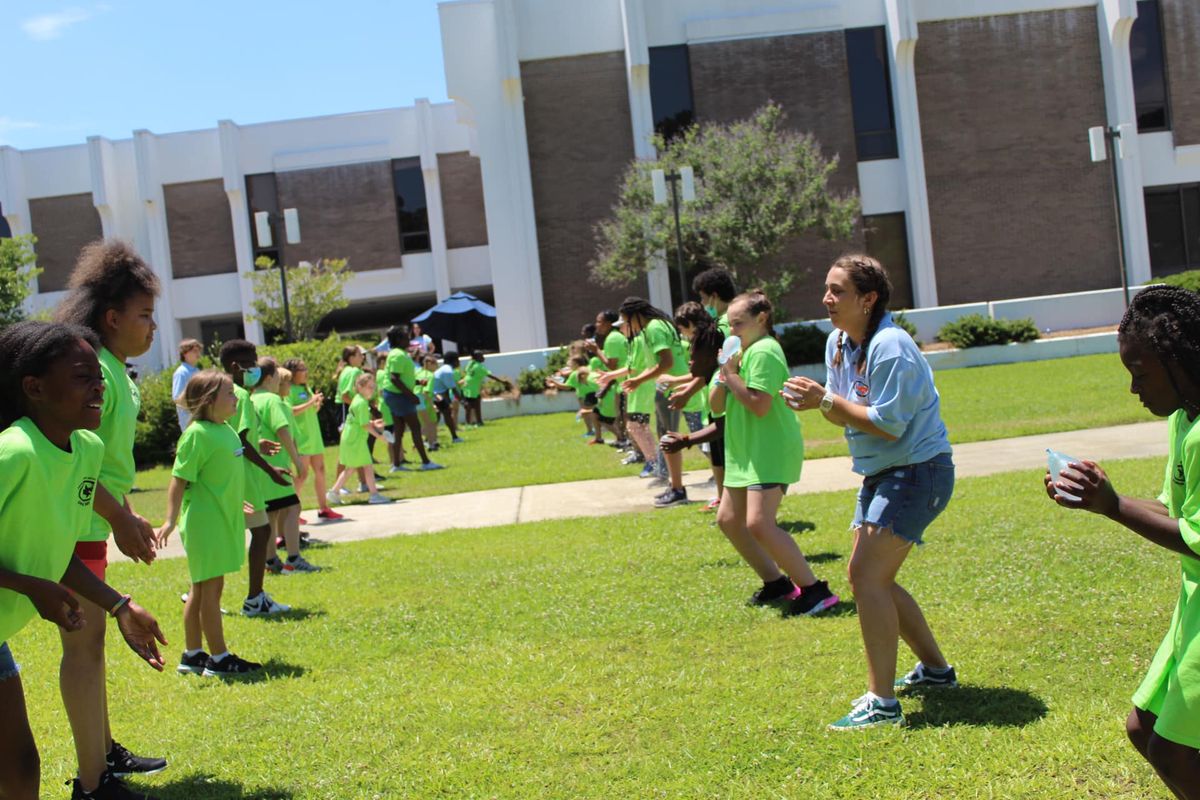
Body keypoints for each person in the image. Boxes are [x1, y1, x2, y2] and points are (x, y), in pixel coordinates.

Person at [784, 255, 954, 731]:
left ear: (868, 298)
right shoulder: (838, 342)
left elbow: (886, 425)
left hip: (918, 471)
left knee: (865, 575)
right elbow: (842, 406)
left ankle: (882, 701)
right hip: (883, 473)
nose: (826, 299)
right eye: (826, 288)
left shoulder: (892, 346)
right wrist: (821, 401)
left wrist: (824, 401)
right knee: (870, 578)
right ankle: (937, 672)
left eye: (837, 290)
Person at [0, 321, 167, 800]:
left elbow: (56, 552)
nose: (98, 386)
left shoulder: (85, 451)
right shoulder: (13, 453)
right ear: (34, 388)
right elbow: (41, 572)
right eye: (81, 377)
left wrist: (118, 606)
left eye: (100, 377)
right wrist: (32, 586)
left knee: (19, 766)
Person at [1046, 285, 1200, 796]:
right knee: (1146, 729)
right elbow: (1173, 512)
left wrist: (1113, 506)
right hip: (1192, 607)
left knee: (1173, 751)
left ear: (1180, 360)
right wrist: (1099, 497)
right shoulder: (1185, 418)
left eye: (1140, 371)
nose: (1134, 388)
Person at [54, 240, 168, 792]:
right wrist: (121, 518)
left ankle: (102, 755)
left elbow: (107, 465)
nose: (151, 327)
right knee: (84, 646)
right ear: (112, 317)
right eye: (144, 315)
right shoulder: (91, 370)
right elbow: (79, 463)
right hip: (75, 528)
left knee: (93, 643)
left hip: (91, 523)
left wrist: (125, 514)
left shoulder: (113, 369)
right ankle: (91, 781)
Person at [712, 290, 838, 619]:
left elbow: (759, 404)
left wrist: (732, 375)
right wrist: (723, 375)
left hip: (768, 449)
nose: (732, 330)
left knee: (759, 523)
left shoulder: (765, 351)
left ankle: (815, 591)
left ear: (762, 319)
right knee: (729, 520)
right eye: (729, 325)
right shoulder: (738, 354)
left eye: (738, 323)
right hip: (744, 452)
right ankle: (777, 584)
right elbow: (715, 407)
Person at [157, 370, 262, 678]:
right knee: (210, 590)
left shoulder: (225, 428)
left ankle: (192, 655)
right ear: (209, 401)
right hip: (205, 523)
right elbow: (179, 480)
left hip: (221, 517)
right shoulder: (197, 434)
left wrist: (233, 501)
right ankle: (219, 659)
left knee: (201, 589)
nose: (235, 398)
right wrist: (169, 520)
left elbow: (219, 476)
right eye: (229, 394)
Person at [218, 340, 292, 617]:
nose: (256, 368)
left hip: (229, 474)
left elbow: (234, 437)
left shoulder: (220, 390)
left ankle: (201, 591)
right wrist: (270, 469)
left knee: (235, 533)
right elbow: (240, 442)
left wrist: (256, 443)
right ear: (236, 367)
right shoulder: (239, 394)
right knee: (260, 532)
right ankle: (254, 599)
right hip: (242, 477)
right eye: (252, 362)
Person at [617, 298, 689, 506]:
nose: (629, 325)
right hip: (669, 388)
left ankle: (678, 490)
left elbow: (667, 363)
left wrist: (639, 380)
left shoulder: (654, 328)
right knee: (669, 437)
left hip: (670, 389)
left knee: (670, 438)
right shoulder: (658, 325)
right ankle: (675, 486)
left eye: (628, 320)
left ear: (637, 314)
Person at [252, 359, 318, 575]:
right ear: (271, 378)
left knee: (270, 513)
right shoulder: (273, 401)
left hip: (260, 467)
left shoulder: (251, 399)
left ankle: (271, 560)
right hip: (278, 466)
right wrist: (297, 460)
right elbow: (282, 430)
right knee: (292, 508)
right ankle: (294, 557)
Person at [661, 315, 726, 511]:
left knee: (739, 519)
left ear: (709, 358)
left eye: (693, 356)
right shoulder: (714, 374)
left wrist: (686, 440)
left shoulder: (718, 380)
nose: (689, 362)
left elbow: (723, 425)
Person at [283, 358, 341, 521]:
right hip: (301, 439)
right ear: (293, 373)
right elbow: (290, 411)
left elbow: (308, 412)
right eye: (302, 369)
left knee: (320, 470)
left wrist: (316, 405)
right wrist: (310, 402)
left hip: (314, 437)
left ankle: (323, 508)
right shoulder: (289, 390)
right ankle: (292, 513)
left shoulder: (305, 388)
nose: (305, 372)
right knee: (302, 475)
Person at [381, 325, 444, 471]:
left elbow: (400, 376)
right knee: (415, 427)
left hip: (394, 395)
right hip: (399, 396)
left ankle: (396, 464)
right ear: (398, 339)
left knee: (399, 429)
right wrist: (411, 396)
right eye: (405, 336)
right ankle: (425, 462)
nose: (408, 339)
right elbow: (394, 378)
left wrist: (416, 382)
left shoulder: (396, 353)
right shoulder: (398, 354)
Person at [327, 373, 393, 504]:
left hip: (352, 438)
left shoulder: (358, 399)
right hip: (355, 439)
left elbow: (360, 421)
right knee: (366, 466)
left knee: (351, 467)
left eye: (373, 387)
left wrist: (373, 423)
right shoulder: (362, 402)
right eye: (369, 387)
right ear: (360, 387)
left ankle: (334, 492)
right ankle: (374, 495)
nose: (372, 390)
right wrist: (379, 436)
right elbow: (364, 425)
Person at [587, 310, 629, 448]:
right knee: (622, 418)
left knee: (625, 418)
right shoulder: (616, 336)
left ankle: (632, 447)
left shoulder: (612, 339)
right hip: (623, 383)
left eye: (599, 321)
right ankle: (629, 445)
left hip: (625, 383)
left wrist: (596, 350)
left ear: (609, 323)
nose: (596, 325)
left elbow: (612, 365)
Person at [460, 351, 507, 427]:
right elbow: (490, 376)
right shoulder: (479, 367)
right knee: (474, 405)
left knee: (471, 405)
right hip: (473, 387)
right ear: (477, 358)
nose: (483, 357)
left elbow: (467, 371)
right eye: (481, 356)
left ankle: (472, 422)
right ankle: (476, 422)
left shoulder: (471, 363)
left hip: (467, 386)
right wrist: (502, 381)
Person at [693, 267, 736, 337]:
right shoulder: (741, 317)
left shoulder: (721, 325)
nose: (702, 302)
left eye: (703, 298)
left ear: (714, 296)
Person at [431, 353, 463, 444]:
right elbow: (452, 389)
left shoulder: (444, 369)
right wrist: (463, 401)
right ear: (453, 361)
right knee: (438, 418)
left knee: (442, 416)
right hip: (437, 396)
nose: (459, 362)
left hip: (437, 395)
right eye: (458, 360)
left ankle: (430, 439)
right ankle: (454, 438)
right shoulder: (447, 371)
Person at [170, 338, 202, 432]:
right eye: (195, 351)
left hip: (200, 419)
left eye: (199, 350)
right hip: (189, 421)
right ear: (185, 353)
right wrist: (194, 411)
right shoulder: (181, 373)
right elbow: (177, 399)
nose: (198, 353)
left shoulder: (197, 371)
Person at [416, 355, 440, 451]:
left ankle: (432, 442)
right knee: (429, 423)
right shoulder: (429, 375)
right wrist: (432, 404)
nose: (437, 367)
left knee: (424, 423)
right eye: (435, 364)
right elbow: (425, 392)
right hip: (422, 400)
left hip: (413, 399)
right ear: (429, 364)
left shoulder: (417, 372)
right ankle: (431, 444)